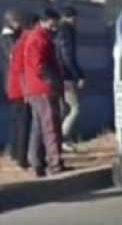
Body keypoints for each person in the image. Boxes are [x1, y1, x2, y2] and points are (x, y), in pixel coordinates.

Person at [22, 9, 65, 177]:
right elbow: (38, 65)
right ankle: (54, 163)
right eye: (53, 22)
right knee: (50, 126)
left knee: (39, 127)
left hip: (38, 88)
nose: (55, 26)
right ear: (45, 21)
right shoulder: (38, 38)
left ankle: (36, 163)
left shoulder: (41, 37)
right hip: (43, 89)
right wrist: (51, 81)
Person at [2, 9, 31, 168]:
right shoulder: (7, 38)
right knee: (22, 120)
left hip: (14, 84)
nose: (20, 25)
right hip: (17, 85)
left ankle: (15, 152)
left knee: (17, 120)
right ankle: (21, 156)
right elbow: (15, 55)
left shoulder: (12, 37)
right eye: (17, 22)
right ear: (11, 22)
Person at [55, 7, 86, 151]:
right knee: (75, 108)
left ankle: (58, 140)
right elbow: (68, 56)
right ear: (71, 18)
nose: (77, 22)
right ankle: (61, 139)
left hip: (56, 75)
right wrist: (78, 74)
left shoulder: (56, 31)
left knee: (63, 109)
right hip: (66, 76)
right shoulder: (67, 31)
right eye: (76, 18)